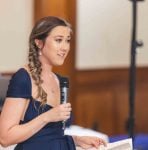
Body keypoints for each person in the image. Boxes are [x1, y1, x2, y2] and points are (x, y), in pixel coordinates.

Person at [0, 16, 106, 150]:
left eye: (67, 41)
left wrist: (77, 140)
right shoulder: (23, 78)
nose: (65, 47)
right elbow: (5, 138)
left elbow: (51, 135)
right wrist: (46, 117)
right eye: (58, 40)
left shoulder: (61, 81)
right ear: (39, 42)